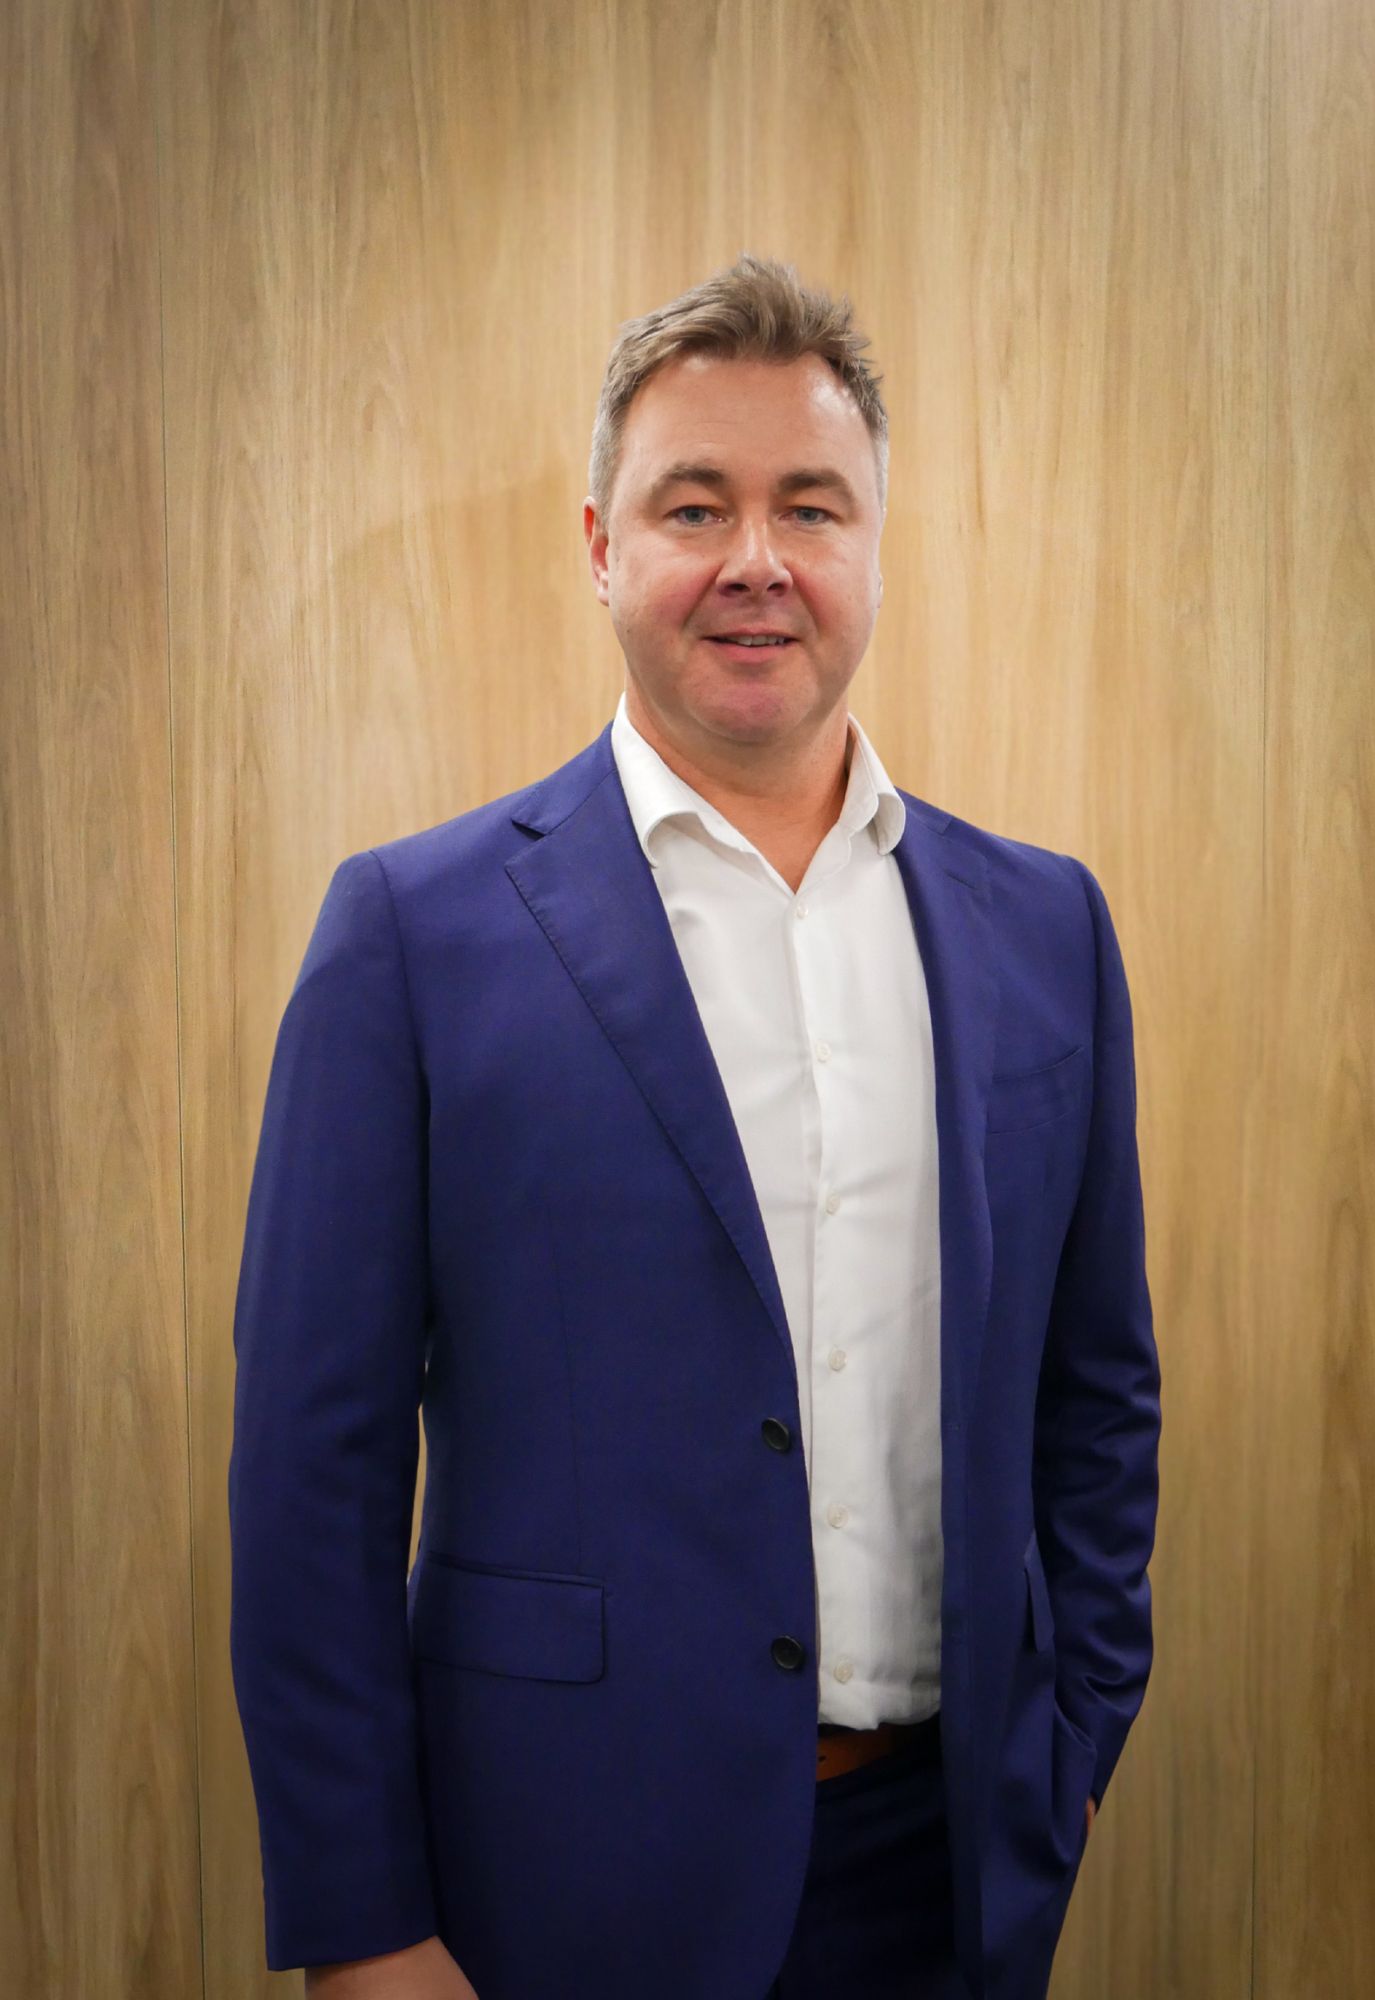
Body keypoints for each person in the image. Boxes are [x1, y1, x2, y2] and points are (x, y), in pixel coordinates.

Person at [229, 253, 1161, 2000]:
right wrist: (363, 1926)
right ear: (601, 547)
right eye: (692, 506)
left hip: (948, 1877)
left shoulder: (1047, 933)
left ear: (874, 546)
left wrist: (1069, 1747)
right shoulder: (411, 934)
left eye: (810, 506)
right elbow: (311, 1474)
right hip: (548, 1886)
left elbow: (1095, 1395)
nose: (756, 559)